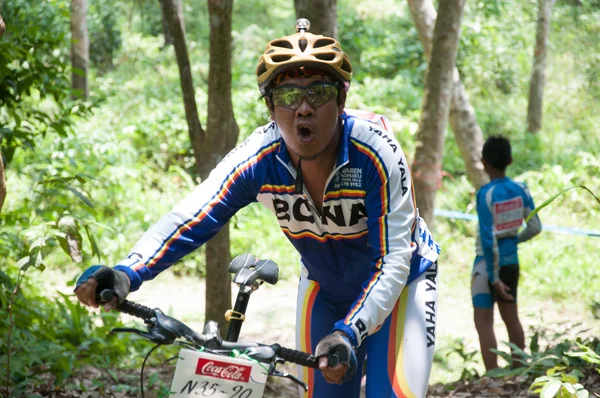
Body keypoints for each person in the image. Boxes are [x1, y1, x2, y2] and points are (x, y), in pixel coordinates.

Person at [75, 18, 440, 398]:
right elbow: (192, 215)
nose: (303, 109)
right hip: (326, 288)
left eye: (318, 93)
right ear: (269, 107)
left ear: (341, 100)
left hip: (403, 284)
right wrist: (126, 272)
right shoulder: (258, 158)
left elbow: (395, 259)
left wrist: (350, 331)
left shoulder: (375, 152)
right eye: (286, 97)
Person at [471, 135, 541, 372]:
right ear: (510, 159)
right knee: (512, 318)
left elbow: (489, 239)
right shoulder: (521, 189)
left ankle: (492, 377)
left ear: (483, 161)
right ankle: (520, 371)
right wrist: (513, 240)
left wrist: (493, 277)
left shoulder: (485, 194)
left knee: (483, 322)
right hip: (512, 262)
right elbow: (535, 226)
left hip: (486, 266)